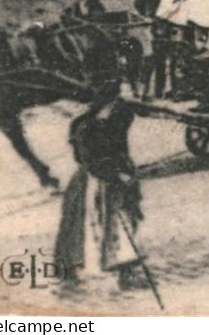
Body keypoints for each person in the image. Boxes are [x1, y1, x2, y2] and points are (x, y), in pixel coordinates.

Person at [54, 83, 146, 292]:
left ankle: (124, 272)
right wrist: (116, 174)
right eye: (112, 103)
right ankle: (119, 274)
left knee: (120, 223)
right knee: (106, 224)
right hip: (97, 180)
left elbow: (120, 144)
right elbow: (89, 159)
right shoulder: (87, 127)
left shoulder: (112, 121)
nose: (115, 107)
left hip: (108, 177)